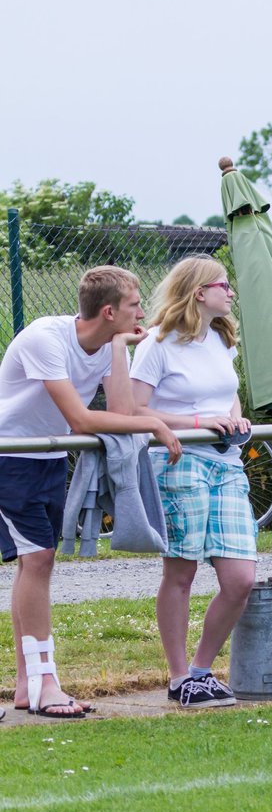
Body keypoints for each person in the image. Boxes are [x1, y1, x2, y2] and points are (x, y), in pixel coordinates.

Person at [0, 266, 181, 718]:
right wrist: (153, 422)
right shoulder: (47, 338)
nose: (143, 312)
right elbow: (82, 419)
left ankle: (28, 685)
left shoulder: (105, 343)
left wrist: (119, 345)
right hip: (9, 457)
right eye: (135, 305)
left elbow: (119, 410)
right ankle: (47, 683)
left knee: (35, 561)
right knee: (38, 558)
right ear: (108, 310)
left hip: (48, 459)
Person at [130, 255, 256, 708]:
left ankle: (202, 670)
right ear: (200, 292)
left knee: (240, 578)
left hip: (227, 465)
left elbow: (230, 394)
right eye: (224, 285)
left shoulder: (221, 340)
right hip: (179, 460)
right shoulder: (157, 343)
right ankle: (178, 676)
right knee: (181, 570)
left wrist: (235, 419)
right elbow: (133, 410)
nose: (231, 292)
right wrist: (195, 421)